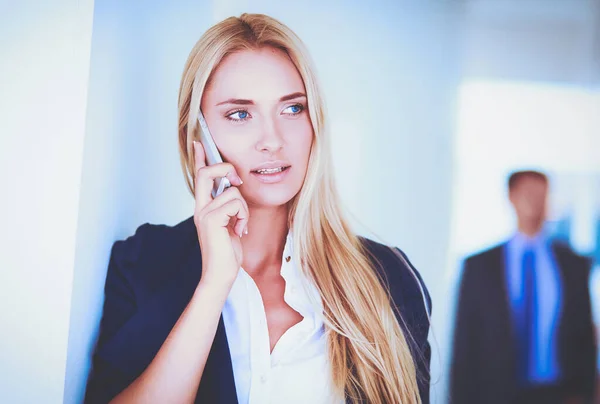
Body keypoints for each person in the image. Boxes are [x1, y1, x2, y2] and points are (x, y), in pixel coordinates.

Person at [84, 13, 431, 404]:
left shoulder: (387, 278)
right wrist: (213, 286)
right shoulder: (144, 262)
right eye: (240, 114)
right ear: (198, 134)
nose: (272, 140)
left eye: (292, 109)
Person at [450, 170, 596, 404]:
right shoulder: (479, 266)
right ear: (511, 197)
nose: (535, 201)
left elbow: (584, 337)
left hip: (557, 393)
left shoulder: (573, 265)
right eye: (527, 193)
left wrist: (584, 395)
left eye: (541, 194)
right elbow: (465, 341)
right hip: (494, 393)